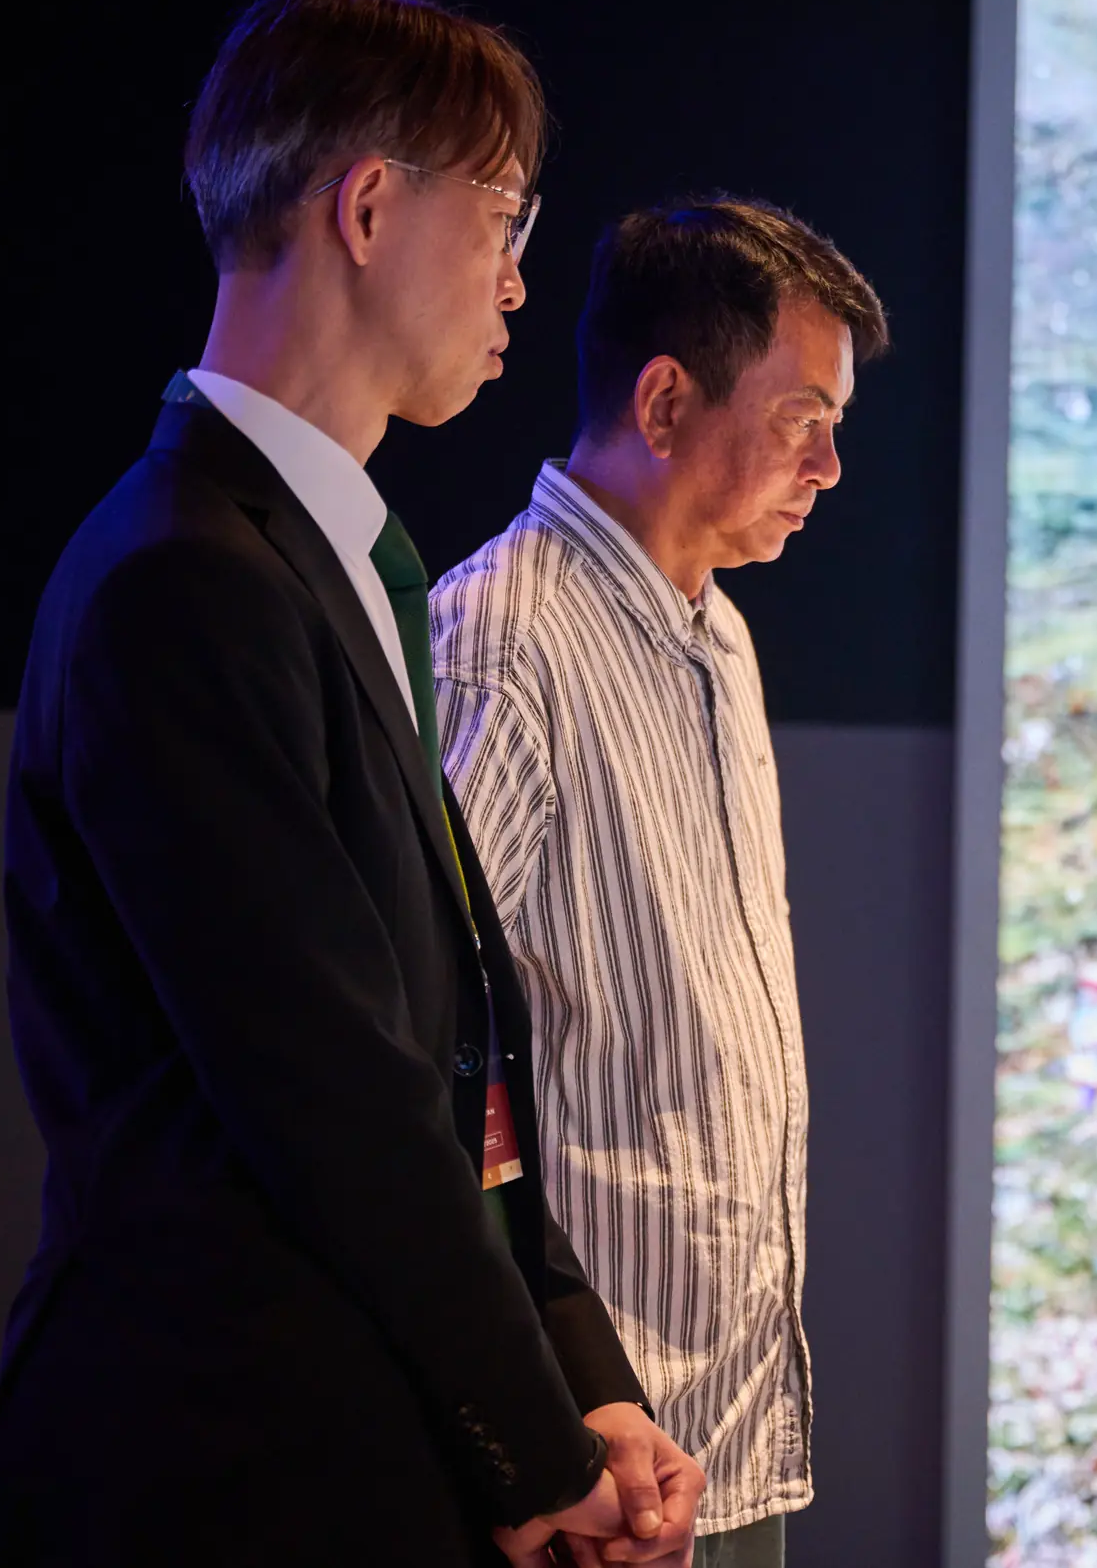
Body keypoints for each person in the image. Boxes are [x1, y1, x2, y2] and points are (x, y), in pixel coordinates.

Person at [0, 0, 702, 1567]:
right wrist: (535, 1440)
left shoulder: (336, 554)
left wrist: (582, 1375)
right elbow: (329, 1086)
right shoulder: (180, 577)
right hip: (215, 1465)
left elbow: (451, 1054)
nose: (518, 277)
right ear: (367, 209)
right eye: (504, 217)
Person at [431, 197, 890, 1568]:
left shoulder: (721, 635)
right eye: (803, 418)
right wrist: (537, 1427)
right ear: (667, 401)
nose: (831, 466)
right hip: (596, 1466)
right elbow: (427, 1072)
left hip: (732, 1435)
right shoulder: (500, 645)